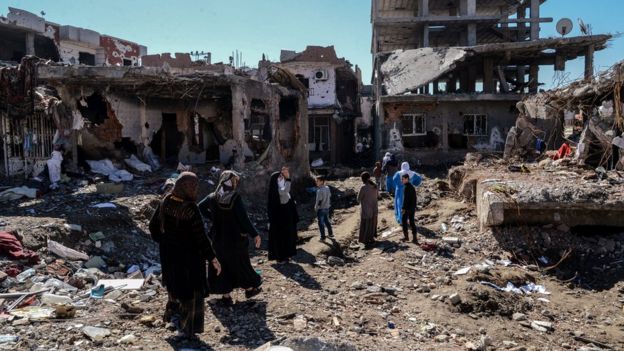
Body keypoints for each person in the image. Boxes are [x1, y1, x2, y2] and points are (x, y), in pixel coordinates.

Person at [148, 172, 221, 340]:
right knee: (191, 293)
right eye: (193, 187)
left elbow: (153, 227)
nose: (196, 189)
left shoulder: (165, 201)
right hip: (190, 259)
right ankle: (186, 329)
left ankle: (172, 320)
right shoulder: (190, 209)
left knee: (174, 287)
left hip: (169, 256)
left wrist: (165, 241)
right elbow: (201, 237)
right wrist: (213, 258)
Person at [198, 170, 262, 304]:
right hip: (235, 239)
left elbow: (200, 207)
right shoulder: (235, 198)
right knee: (240, 263)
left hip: (218, 239)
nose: (235, 183)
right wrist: (255, 234)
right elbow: (244, 219)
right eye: (234, 181)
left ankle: (226, 296)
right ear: (229, 181)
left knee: (222, 264)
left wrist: (213, 218)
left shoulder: (212, 197)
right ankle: (250, 288)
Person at [267, 167, 299, 263]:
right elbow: (285, 192)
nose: (282, 178)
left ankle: (286, 256)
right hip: (280, 221)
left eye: (282, 177)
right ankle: (280, 258)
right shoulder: (277, 190)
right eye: (279, 177)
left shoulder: (282, 188)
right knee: (281, 239)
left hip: (286, 219)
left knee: (288, 237)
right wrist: (288, 178)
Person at [357, 172, 379, 247]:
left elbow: (358, 199)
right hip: (374, 209)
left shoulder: (363, 187)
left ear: (363, 179)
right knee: (372, 224)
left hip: (366, 209)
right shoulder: (375, 186)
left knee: (366, 225)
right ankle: (371, 238)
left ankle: (366, 240)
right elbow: (377, 196)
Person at [401, 174, 418, 243]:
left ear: (407, 179)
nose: (402, 180)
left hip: (407, 208)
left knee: (404, 221)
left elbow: (406, 199)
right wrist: (414, 206)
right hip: (412, 208)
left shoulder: (407, 187)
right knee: (412, 222)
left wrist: (403, 208)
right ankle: (415, 238)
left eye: (403, 179)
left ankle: (406, 237)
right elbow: (415, 198)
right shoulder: (412, 187)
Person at [314, 175, 333, 240]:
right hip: (327, 207)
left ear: (322, 181)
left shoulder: (319, 190)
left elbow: (319, 201)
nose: (316, 182)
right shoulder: (327, 188)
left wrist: (316, 208)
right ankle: (331, 234)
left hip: (321, 209)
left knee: (321, 223)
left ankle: (323, 237)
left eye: (317, 181)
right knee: (327, 221)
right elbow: (330, 195)